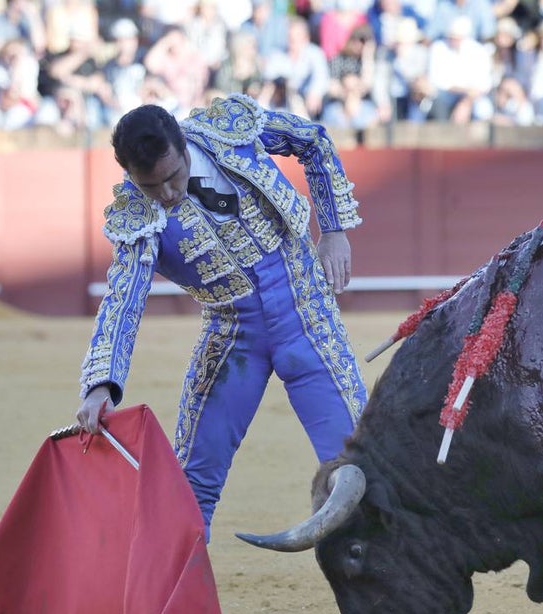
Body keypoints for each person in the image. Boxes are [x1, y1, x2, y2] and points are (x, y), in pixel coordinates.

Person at [75, 93, 367, 548]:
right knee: (190, 486)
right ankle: (177, 609)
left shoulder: (231, 130)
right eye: (152, 186)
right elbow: (123, 300)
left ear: (183, 143)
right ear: (131, 176)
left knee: (356, 467)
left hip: (305, 309)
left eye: (174, 176)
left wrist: (333, 230)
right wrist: (100, 385)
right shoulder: (137, 215)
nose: (168, 193)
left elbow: (312, 140)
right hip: (234, 336)